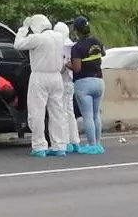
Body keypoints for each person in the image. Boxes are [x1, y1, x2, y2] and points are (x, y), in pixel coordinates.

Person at [14, 14, 68, 157]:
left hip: (39, 76)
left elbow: (18, 44)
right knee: (57, 112)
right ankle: (59, 146)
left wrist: (23, 29)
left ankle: (39, 146)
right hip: (57, 77)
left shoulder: (37, 38)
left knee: (37, 112)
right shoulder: (59, 37)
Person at [69, 16, 106, 154]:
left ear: (76, 30)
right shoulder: (96, 41)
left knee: (87, 116)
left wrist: (68, 65)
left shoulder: (77, 47)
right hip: (99, 81)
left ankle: (91, 145)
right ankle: (98, 144)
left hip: (84, 82)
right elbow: (103, 52)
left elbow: (77, 68)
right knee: (96, 115)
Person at [53, 21, 81, 153]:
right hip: (71, 82)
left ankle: (65, 142)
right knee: (70, 112)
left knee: (61, 112)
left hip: (62, 81)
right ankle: (75, 141)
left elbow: (61, 68)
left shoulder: (59, 46)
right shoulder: (71, 45)